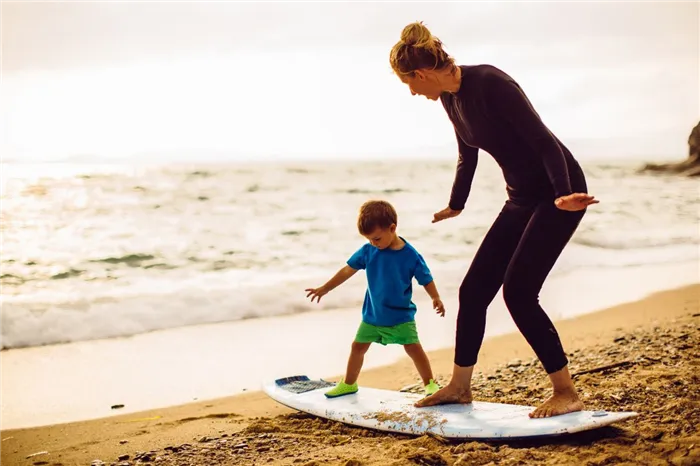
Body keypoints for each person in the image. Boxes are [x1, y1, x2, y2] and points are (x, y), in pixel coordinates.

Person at [388, 22, 599, 418]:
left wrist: (563, 193)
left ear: (420, 74)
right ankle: (460, 387)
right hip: (520, 198)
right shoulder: (451, 100)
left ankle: (566, 392)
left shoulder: (491, 83)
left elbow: (544, 141)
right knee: (473, 291)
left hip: (559, 194)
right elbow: (468, 154)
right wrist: (456, 204)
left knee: (519, 292)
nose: (414, 93)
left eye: (410, 85)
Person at [305, 200, 445, 398]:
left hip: (400, 316)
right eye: (369, 239)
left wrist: (435, 297)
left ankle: (430, 384)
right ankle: (349, 384)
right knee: (357, 347)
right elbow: (347, 270)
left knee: (414, 348)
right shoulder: (368, 251)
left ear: (392, 228)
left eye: (377, 238)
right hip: (373, 315)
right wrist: (325, 288)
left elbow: (426, 278)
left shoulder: (411, 255)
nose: (373, 243)